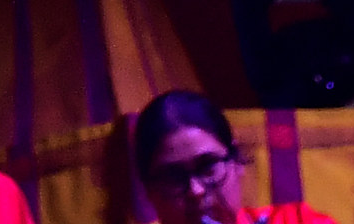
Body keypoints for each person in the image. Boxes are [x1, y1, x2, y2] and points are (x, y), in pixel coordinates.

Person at [131, 90, 336, 224]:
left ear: (236, 162)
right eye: (173, 177)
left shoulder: (297, 221)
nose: (196, 191)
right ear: (148, 190)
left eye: (208, 166)